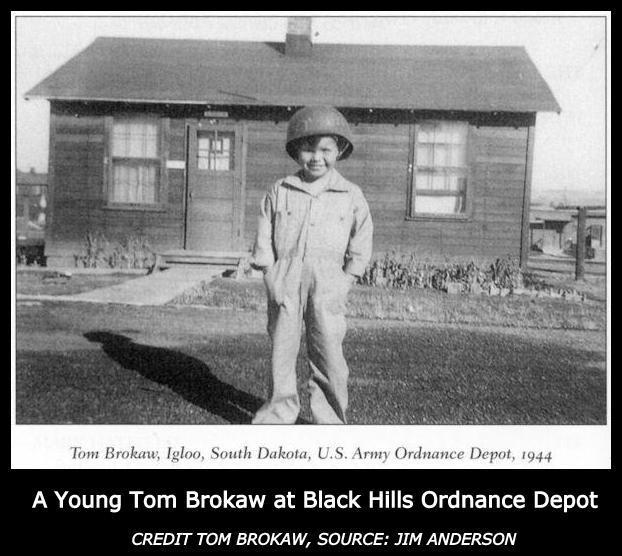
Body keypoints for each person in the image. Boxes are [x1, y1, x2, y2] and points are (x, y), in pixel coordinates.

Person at [250, 105, 373, 424]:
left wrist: (347, 278)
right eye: (308, 148)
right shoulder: (280, 190)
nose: (316, 157)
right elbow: (264, 235)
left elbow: (361, 240)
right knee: (281, 352)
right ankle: (278, 413)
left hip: (329, 281)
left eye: (325, 149)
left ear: (340, 150)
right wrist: (270, 275)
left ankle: (330, 420)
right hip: (286, 280)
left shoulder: (351, 195)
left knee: (329, 353)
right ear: (295, 151)